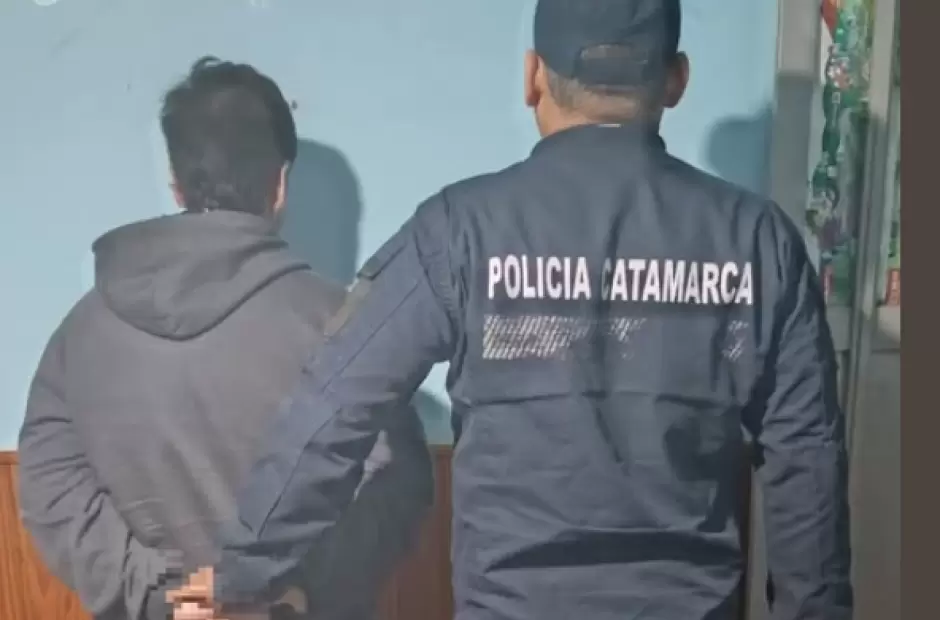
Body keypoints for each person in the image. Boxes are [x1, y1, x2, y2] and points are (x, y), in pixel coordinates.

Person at [174, 1, 854, 618]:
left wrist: (244, 571)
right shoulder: (758, 243)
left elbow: (336, 404)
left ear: (533, 77)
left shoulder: (458, 232)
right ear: (676, 81)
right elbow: (808, 461)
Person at [17, 56, 433, 620]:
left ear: (177, 184)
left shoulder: (80, 334)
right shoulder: (347, 325)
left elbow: (51, 489)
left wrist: (163, 598)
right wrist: (283, 591)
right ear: (280, 184)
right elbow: (395, 484)